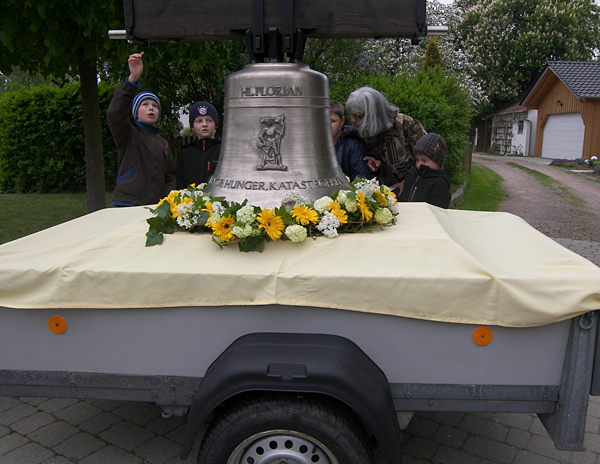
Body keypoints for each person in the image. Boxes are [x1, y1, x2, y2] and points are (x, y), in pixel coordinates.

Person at [107, 52, 176, 207]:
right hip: (128, 202)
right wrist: (132, 80)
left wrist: (168, 199)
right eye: (145, 105)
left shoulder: (163, 143)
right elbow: (114, 114)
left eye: (155, 106)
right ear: (136, 112)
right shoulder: (128, 134)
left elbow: (170, 176)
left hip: (156, 206)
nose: (151, 108)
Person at [345, 87, 426, 195]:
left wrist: (407, 183)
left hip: (414, 192)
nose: (352, 120)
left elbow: (429, 161)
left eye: (357, 116)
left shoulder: (406, 126)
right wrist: (376, 166)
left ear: (373, 115)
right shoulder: (358, 133)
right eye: (352, 115)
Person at [399, 132, 451, 209]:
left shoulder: (440, 184)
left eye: (424, 160)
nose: (419, 164)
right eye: (417, 160)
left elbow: (439, 212)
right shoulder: (411, 177)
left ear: (437, 161)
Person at [177, 101, 222, 188]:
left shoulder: (223, 150)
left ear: (215, 124)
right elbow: (180, 181)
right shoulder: (187, 153)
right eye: (199, 121)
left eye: (209, 120)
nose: (204, 124)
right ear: (193, 127)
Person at [330, 100, 370, 181]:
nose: (326, 125)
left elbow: (361, 180)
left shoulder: (353, 146)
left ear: (342, 121)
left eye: (332, 121)